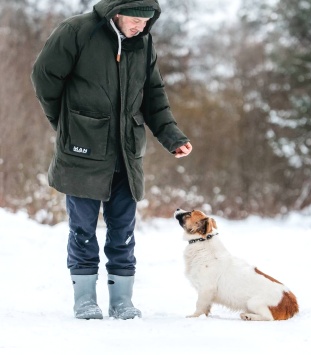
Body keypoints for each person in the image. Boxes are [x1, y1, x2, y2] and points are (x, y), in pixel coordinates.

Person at [31, 0, 192, 320]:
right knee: (83, 230)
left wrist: (172, 137)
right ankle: (85, 299)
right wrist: (65, 124)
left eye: (147, 22)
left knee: (124, 231)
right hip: (83, 150)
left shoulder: (143, 44)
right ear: (115, 11)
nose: (141, 27)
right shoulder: (77, 32)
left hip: (126, 153)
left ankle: (121, 300)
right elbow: (44, 77)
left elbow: (154, 96)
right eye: (135, 20)